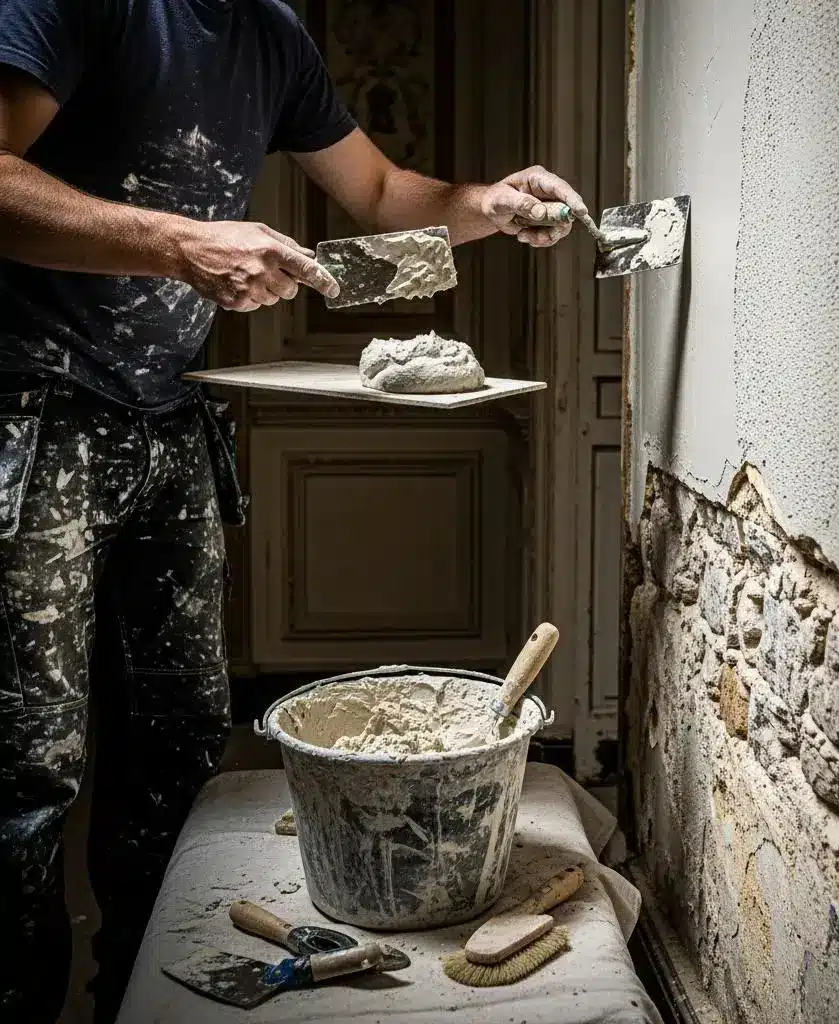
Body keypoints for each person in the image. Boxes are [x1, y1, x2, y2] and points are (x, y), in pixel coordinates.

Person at [0, 1, 588, 1020]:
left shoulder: (270, 32)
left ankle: (142, 1000)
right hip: (29, 408)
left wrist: (485, 202)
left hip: (171, 417)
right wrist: (181, 242)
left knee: (176, 753)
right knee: (26, 771)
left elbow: (383, 193)